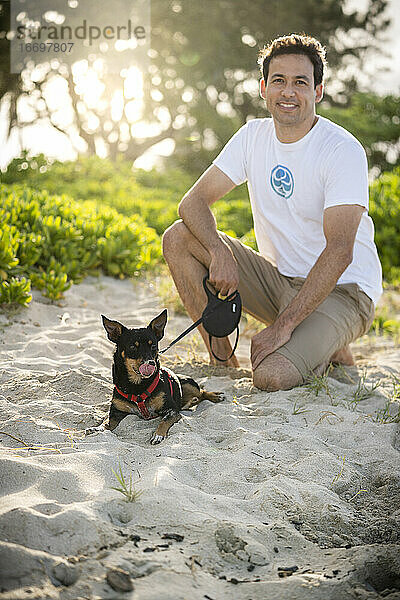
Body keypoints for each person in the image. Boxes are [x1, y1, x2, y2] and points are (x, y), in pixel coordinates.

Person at [162, 33, 382, 391]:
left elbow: (341, 249)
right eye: (279, 81)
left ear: (318, 91)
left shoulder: (342, 150)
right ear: (264, 88)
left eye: (301, 82)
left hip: (343, 291)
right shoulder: (252, 136)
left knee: (270, 374)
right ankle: (223, 363)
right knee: (178, 238)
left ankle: (325, 338)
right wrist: (219, 251)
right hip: (279, 281)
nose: (289, 92)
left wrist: (282, 327)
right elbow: (192, 203)